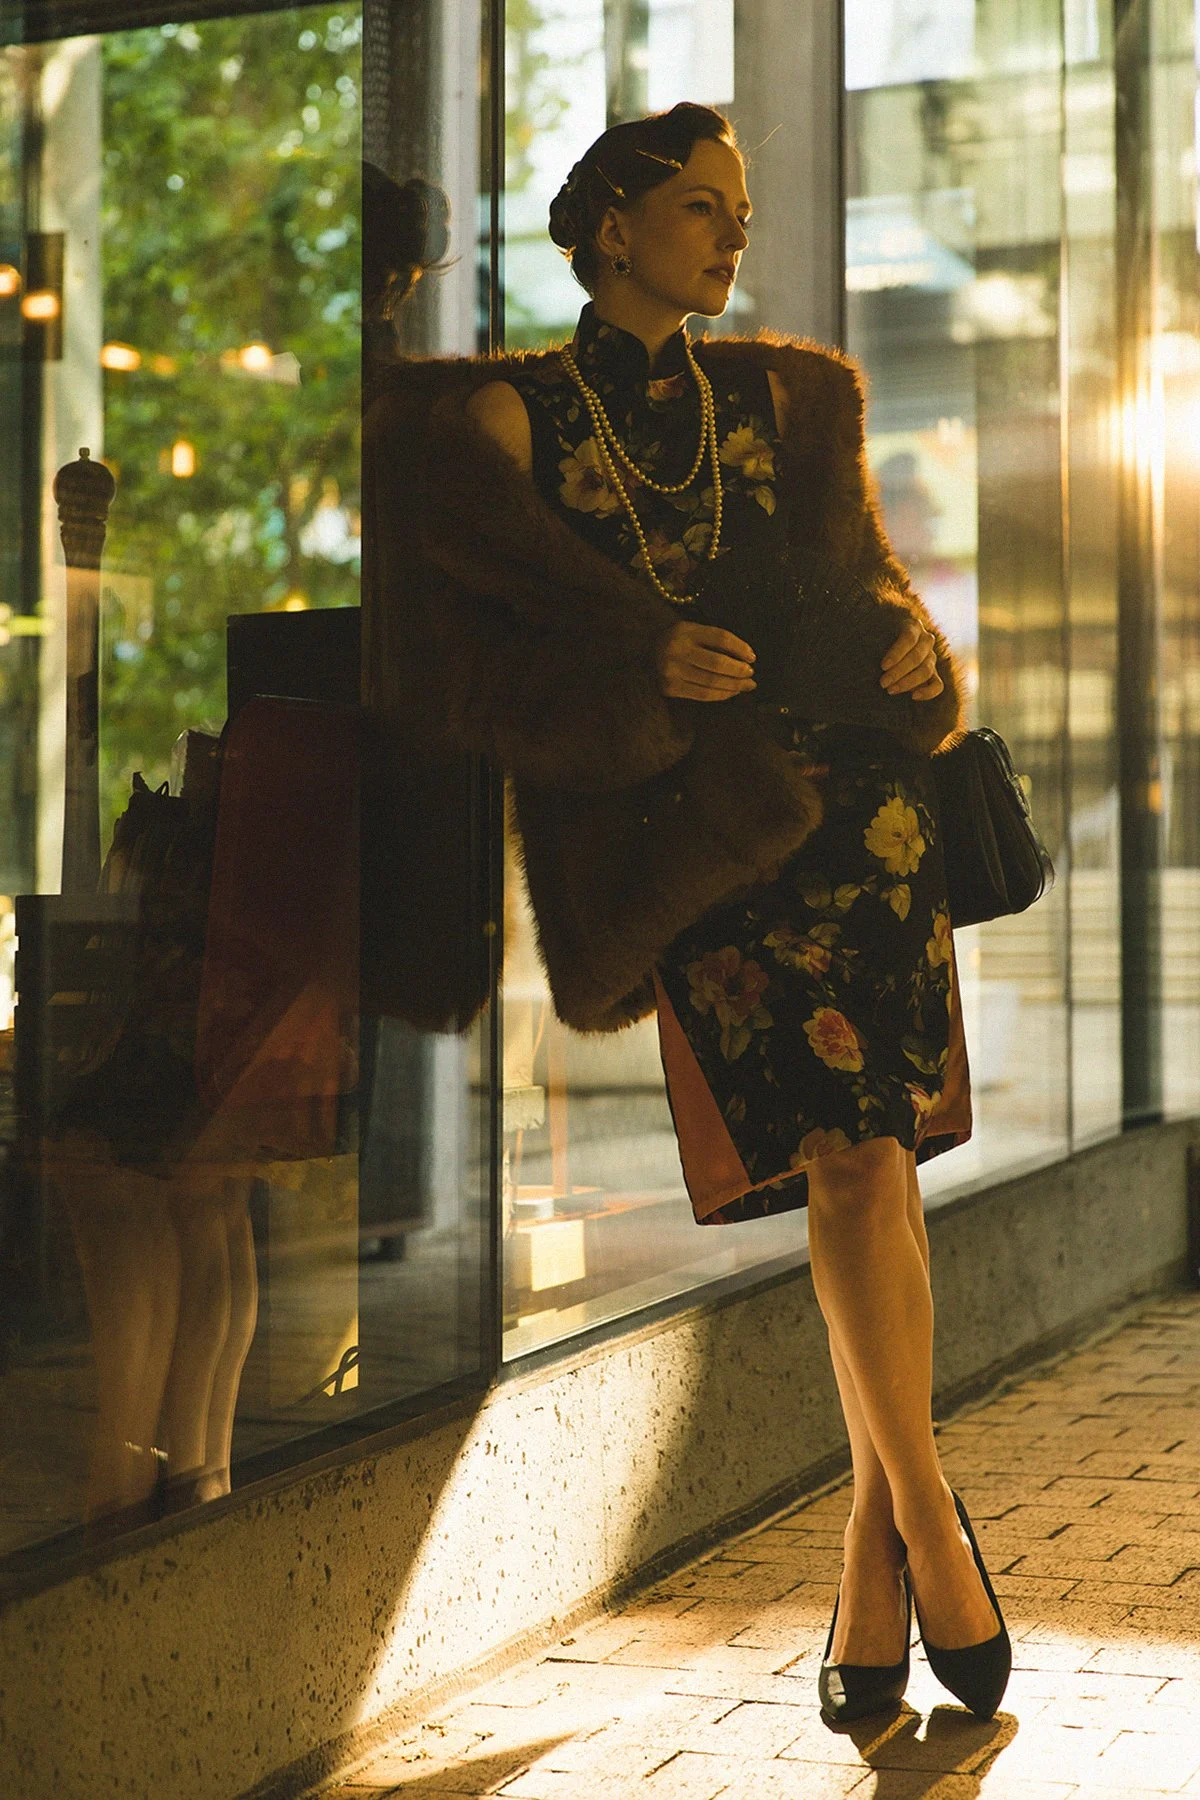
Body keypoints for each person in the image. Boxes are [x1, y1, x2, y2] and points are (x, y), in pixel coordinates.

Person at [373, 100, 1010, 1725]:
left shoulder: (786, 399)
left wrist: (916, 658)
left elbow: (867, 581)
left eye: (740, 210)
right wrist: (633, 668)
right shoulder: (509, 427)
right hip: (703, 849)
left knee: (870, 1163)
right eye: (703, 209)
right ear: (611, 227)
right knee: (848, 1170)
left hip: (864, 821)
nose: (733, 235)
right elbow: (457, 686)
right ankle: (925, 1525)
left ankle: (890, 1547)